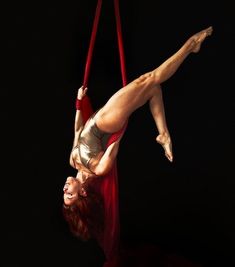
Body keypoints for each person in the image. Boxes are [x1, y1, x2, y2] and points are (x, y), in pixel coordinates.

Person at [63, 26, 213, 208]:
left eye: (64, 193)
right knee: (148, 79)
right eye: (70, 195)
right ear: (83, 192)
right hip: (107, 122)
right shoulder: (99, 169)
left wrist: (79, 104)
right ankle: (191, 45)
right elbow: (115, 142)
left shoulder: (73, 161)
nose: (65, 190)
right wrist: (123, 116)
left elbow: (78, 130)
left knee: (153, 89)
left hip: (100, 117)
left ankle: (163, 134)